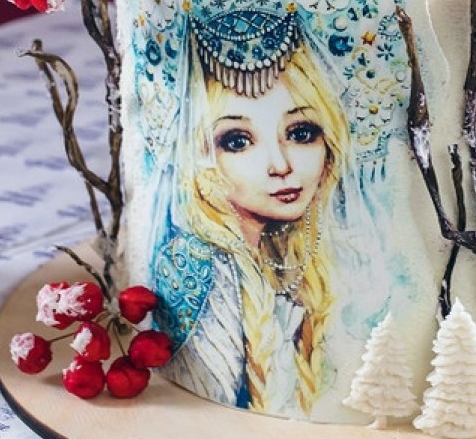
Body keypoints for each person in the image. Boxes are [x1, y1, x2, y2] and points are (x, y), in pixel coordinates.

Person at [150, 39, 351, 418]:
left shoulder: (286, 254)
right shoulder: (196, 263)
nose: (281, 165)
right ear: (200, 155)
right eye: (238, 141)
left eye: (301, 133)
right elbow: (205, 417)